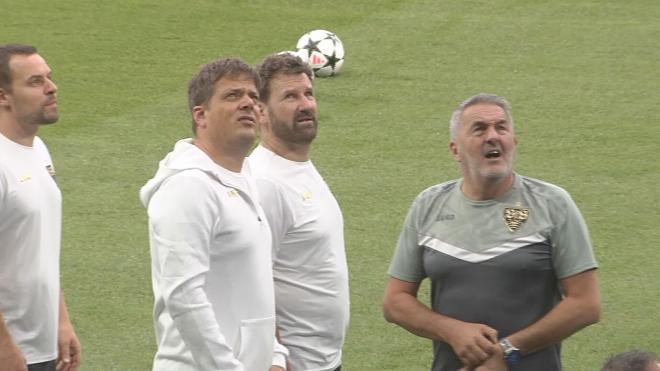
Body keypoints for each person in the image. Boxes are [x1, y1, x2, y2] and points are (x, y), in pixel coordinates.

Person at [382, 93, 602, 371]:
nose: (493, 136)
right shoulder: (428, 205)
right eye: (479, 129)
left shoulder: (552, 204)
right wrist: (452, 331)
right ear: (455, 150)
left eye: (501, 127)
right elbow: (395, 301)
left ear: (514, 141)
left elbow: (586, 304)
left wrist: (509, 351)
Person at [140, 57, 285, 371]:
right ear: (201, 115)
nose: (248, 103)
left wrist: (274, 355)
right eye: (233, 96)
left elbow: (251, 281)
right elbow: (183, 295)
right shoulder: (187, 187)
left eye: (253, 97)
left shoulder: (243, 176)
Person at [248, 53, 350, 371]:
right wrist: (276, 358)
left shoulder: (297, 165)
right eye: (290, 96)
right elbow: (250, 282)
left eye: (308, 93)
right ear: (261, 111)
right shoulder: (265, 183)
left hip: (323, 360)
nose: (305, 104)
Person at [0, 44, 82, 371]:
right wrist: (5, 350)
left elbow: (39, 247)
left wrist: (60, 322)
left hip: (42, 348)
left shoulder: (38, 149)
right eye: (35, 82)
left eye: (49, 77)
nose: (52, 87)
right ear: (3, 96)